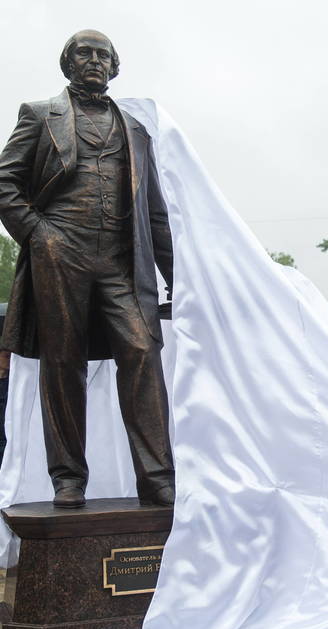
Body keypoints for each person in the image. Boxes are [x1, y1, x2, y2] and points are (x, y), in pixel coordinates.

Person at [0, 30, 174, 508]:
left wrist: (176, 277)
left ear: (114, 66)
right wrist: (38, 234)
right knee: (63, 362)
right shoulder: (39, 115)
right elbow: (5, 182)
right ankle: (68, 478)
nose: (94, 61)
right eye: (85, 53)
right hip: (61, 253)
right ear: (68, 62)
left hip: (122, 260)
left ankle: (157, 476)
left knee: (141, 353)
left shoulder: (136, 129)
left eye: (103, 55)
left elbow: (154, 210)